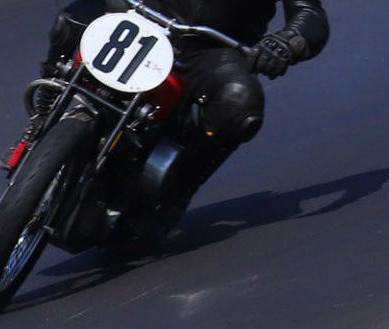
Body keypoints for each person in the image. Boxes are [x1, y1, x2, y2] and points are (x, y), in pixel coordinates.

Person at [35, 0, 328, 236]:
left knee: (240, 102)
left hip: (213, 49)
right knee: (71, 20)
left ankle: (175, 191)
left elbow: (310, 15)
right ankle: (43, 113)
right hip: (138, 14)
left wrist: (286, 42)